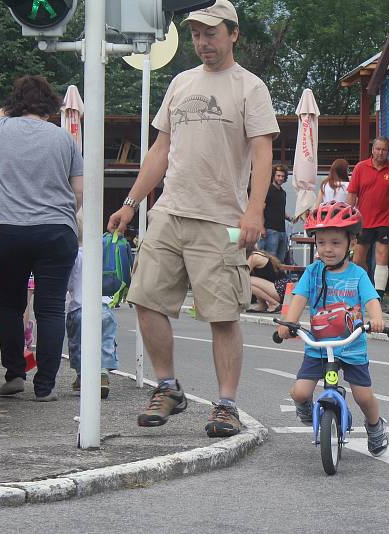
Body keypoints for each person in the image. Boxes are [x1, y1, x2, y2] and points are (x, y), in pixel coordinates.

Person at [107, 0, 279, 437]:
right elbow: (160, 149)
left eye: (211, 33)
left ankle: (226, 405)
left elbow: (262, 151)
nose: (203, 42)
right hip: (169, 210)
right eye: (197, 34)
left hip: (221, 218)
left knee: (222, 315)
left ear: (233, 34)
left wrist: (255, 208)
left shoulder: (249, 87)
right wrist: (131, 202)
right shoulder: (181, 82)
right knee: (144, 298)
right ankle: (167, 386)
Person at [0, 75, 83, 401]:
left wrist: (12, 105)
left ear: (15, 103)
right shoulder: (64, 139)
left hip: (5, 230)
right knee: (50, 308)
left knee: (12, 303)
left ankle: (15, 374)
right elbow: (78, 193)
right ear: (50, 105)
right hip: (55, 231)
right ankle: (44, 387)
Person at [276, 201, 389, 457]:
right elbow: (299, 298)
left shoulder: (358, 274)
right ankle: (305, 407)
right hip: (319, 346)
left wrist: (377, 319)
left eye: (336, 242)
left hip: (351, 345)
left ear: (351, 242)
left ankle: (375, 426)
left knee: (363, 397)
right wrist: (288, 324)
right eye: (322, 242)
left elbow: (371, 299)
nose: (328, 249)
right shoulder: (313, 272)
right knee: (299, 391)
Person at [347, 137, 389, 314]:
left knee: (382, 258)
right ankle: (364, 292)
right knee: (357, 260)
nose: (380, 153)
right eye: (378, 149)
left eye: (384, 150)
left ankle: (377, 298)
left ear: (388, 151)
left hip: (385, 222)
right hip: (363, 221)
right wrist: (349, 217)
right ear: (372, 149)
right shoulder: (360, 167)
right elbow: (352, 194)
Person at [66, 209, 118, 398]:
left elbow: (69, 284)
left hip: (79, 308)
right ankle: (102, 373)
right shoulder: (101, 254)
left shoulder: (73, 256)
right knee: (106, 341)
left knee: (78, 344)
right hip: (104, 308)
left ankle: (82, 376)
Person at [259, 164, 291, 262]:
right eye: (278, 175)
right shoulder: (267, 190)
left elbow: (279, 208)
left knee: (280, 260)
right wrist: (262, 228)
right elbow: (260, 209)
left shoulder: (283, 193)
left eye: (283, 176)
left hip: (282, 231)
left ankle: (278, 278)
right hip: (270, 230)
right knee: (270, 260)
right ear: (273, 176)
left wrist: (288, 217)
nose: (281, 178)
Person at [247, 249, 290, 313]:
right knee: (250, 280)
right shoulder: (257, 254)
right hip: (283, 291)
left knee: (247, 280)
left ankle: (274, 304)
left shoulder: (253, 257)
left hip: (282, 291)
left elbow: (243, 276)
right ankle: (263, 305)